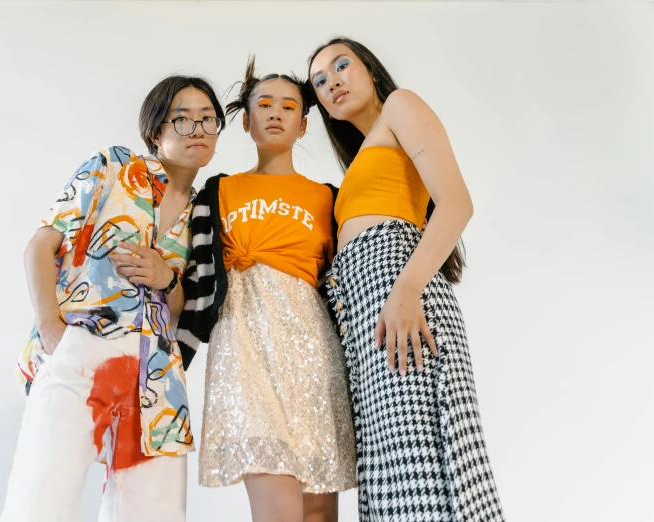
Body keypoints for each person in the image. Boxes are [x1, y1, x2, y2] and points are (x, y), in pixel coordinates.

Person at [1, 75, 225, 522]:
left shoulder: (208, 211)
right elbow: (41, 245)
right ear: (155, 132)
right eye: (182, 119)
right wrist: (52, 333)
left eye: (208, 120)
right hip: (81, 347)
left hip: (157, 376)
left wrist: (167, 278)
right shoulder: (113, 167)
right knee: (41, 499)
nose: (198, 129)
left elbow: (186, 311)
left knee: (151, 513)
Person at [306, 37, 505, 521]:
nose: (331, 82)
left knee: (425, 458)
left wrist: (407, 289)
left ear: (370, 70)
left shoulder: (400, 105)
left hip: (401, 290)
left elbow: (457, 203)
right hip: (366, 309)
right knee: (391, 468)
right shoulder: (358, 163)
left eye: (340, 66)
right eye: (319, 81)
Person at [176, 57, 356, 522]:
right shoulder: (217, 191)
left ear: (302, 124)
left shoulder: (329, 197)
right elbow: (191, 272)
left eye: (289, 106)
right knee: (277, 509)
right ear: (246, 120)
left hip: (313, 352)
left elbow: (344, 282)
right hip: (245, 346)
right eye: (264, 104)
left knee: (318, 512)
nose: (276, 113)